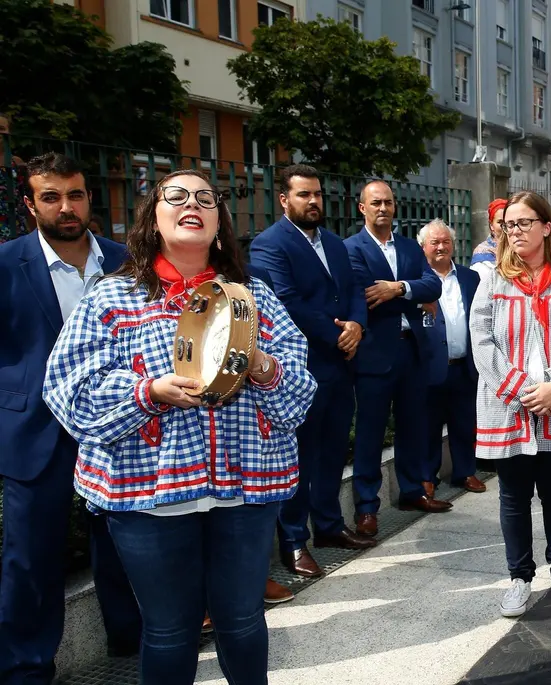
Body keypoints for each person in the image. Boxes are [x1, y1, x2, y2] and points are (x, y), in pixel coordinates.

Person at [43, 169, 317, 685]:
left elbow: (300, 394)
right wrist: (147, 393)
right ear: (154, 216)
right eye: (176, 196)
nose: (192, 204)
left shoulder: (252, 295)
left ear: (219, 222)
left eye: (205, 199)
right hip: (150, 494)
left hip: (246, 490)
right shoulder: (113, 297)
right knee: (170, 630)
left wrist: (259, 365)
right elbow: (66, 390)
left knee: (242, 620)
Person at [0, 152, 141, 682]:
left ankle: (133, 641)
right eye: (51, 197)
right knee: (31, 560)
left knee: (123, 544)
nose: (66, 207)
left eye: (75, 195)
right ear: (30, 203)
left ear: (88, 197)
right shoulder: (6, 263)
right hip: (34, 431)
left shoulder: (123, 261)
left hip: (113, 425)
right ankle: (25, 669)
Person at [469, 191, 551, 618]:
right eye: (509, 224)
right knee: (513, 496)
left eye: (525, 222)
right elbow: (481, 339)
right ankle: (519, 578)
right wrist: (519, 388)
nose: (516, 231)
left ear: (546, 226)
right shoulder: (493, 279)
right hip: (510, 404)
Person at [250, 164, 375, 581]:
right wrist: (336, 335)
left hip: (341, 366)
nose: (314, 201)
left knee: (333, 452)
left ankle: (329, 527)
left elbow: (355, 289)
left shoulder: (336, 244)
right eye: (304, 195)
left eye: (318, 194)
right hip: (300, 371)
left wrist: (357, 325)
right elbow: (285, 302)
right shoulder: (269, 245)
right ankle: (293, 542)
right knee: (298, 458)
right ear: (284, 200)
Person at [345, 180, 446, 536]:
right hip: (374, 353)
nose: (383, 208)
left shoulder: (408, 246)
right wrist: (408, 289)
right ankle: (367, 508)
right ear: (363, 208)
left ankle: (412, 490)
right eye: (376, 203)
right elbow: (364, 291)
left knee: (412, 426)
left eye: (388, 202)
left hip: (412, 348)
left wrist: (398, 288)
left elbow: (433, 285)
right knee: (371, 433)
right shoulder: (351, 249)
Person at [418, 219, 486, 493]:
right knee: (428, 425)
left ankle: (465, 472)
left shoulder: (471, 278)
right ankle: (427, 477)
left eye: (446, 241)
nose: (441, 247)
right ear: (423, 247)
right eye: (434, 242)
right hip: (430, 365)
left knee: (464, 422)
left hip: (463, 365)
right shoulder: (417, 279)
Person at [471, 198, 507, 281]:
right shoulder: (483, 252)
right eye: (500, 222)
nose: (505, 226)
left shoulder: (519, 247)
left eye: (508, 222)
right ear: (491, 225)